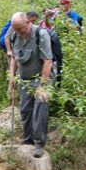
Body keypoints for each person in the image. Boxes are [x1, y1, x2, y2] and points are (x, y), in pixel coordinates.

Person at [9, 12, 53, 158]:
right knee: (25, 110)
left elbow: (48, 61)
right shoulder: (16, 36)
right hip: (24, 79)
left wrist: (43, 85)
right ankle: (27, 140)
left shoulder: (42, 35)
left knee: (40, 110)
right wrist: (12, 76)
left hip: (41, 78)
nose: (18, 32)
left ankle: (39, 144)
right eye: (15, 29)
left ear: (28, 22)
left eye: (20, 28)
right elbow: (14, 58)